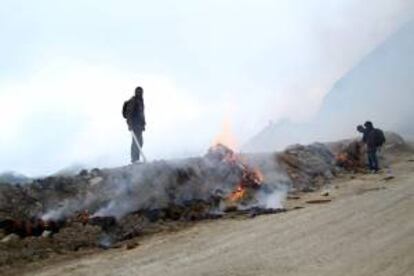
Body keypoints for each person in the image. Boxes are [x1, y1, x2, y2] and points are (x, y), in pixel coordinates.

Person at [123, 86, 146, 163]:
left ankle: (137, 158)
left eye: (141, 92)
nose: (140, 93)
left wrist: (143, 124)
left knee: (140, 142)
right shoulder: (134, 101)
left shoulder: (140, 101)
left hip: (139, 125)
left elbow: (141, 113)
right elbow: (129, 114)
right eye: (138, 92)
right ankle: (135, 159)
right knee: (136, 142)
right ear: (136, 92)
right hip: (134, 125)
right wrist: (130, 125)